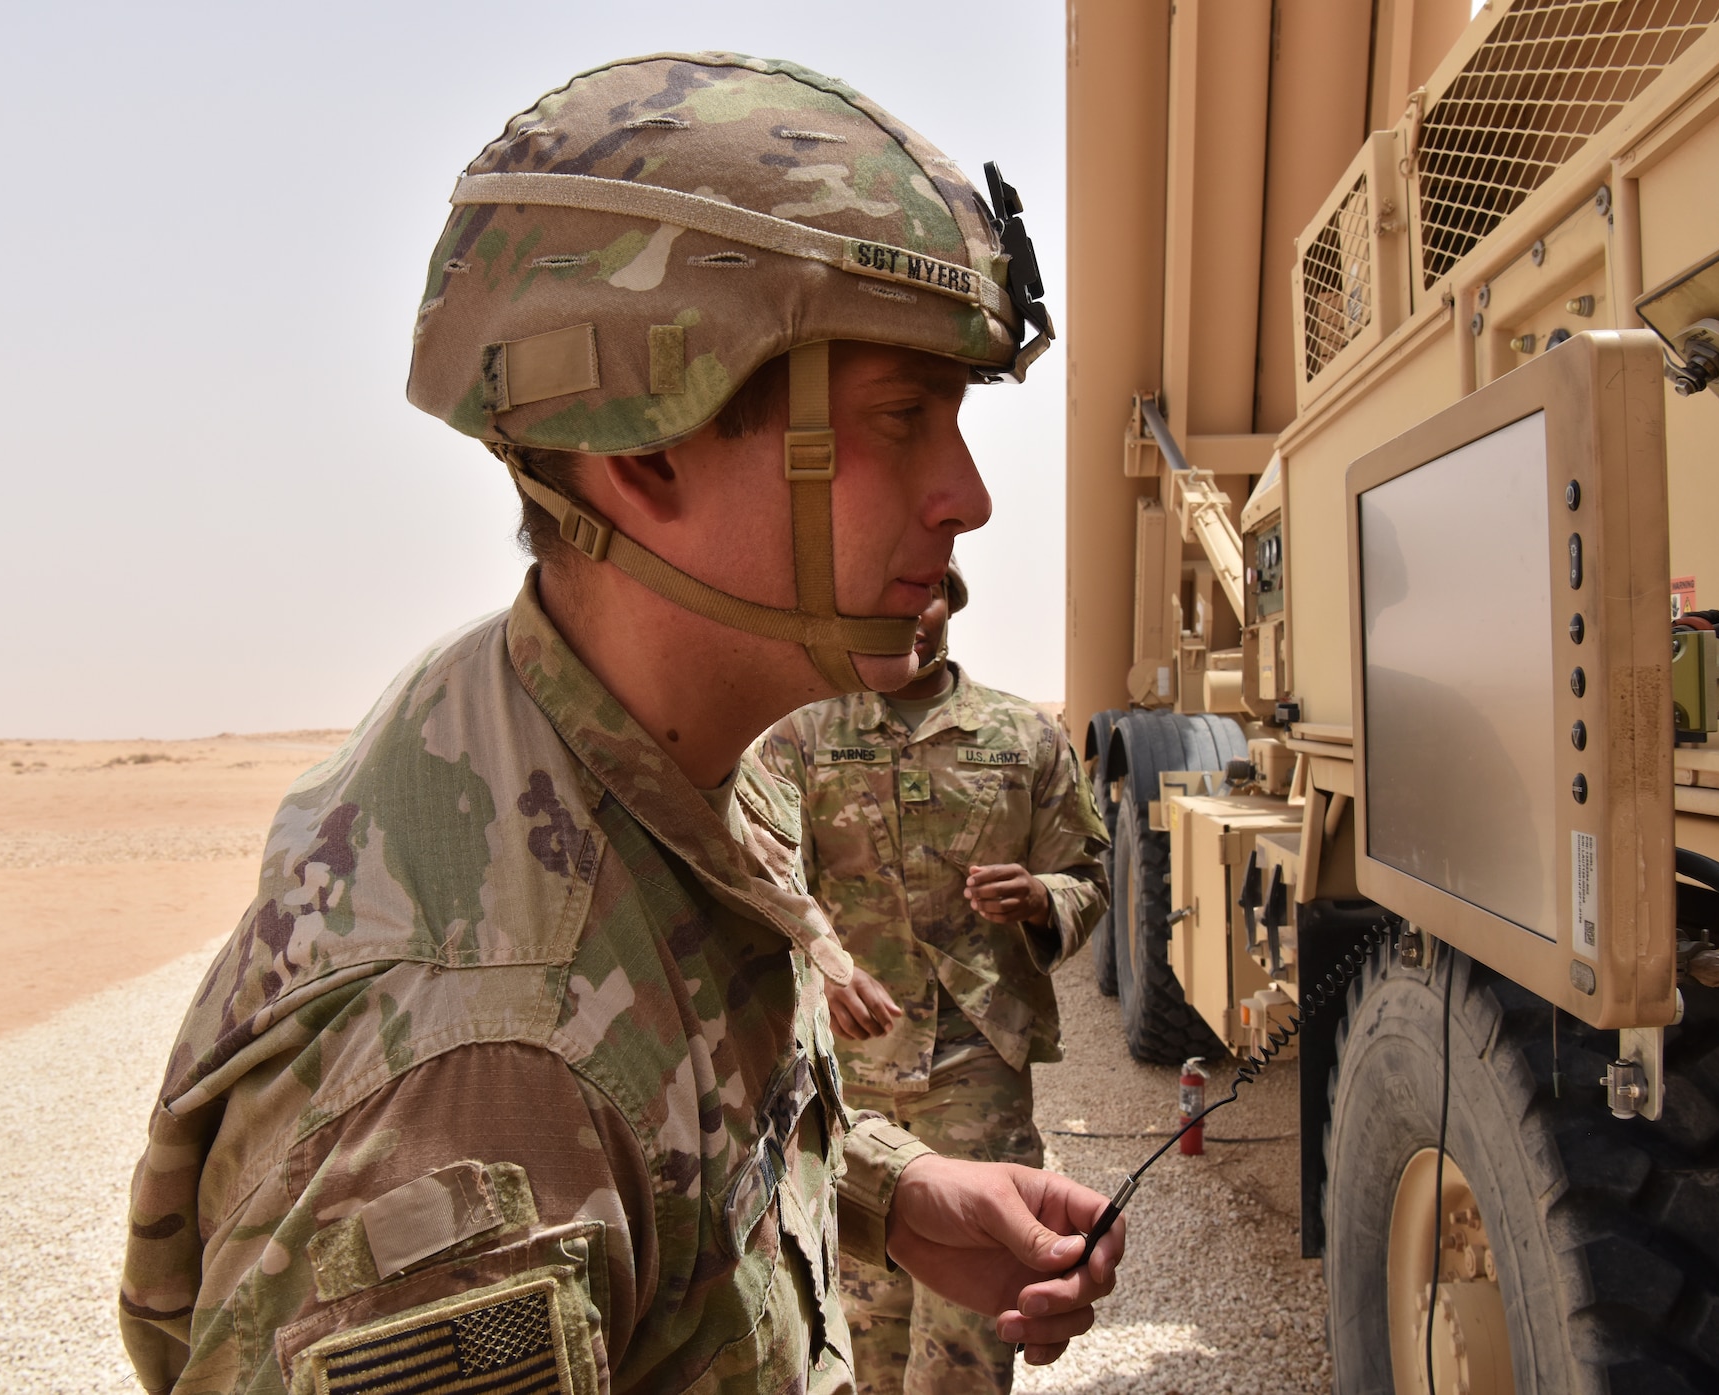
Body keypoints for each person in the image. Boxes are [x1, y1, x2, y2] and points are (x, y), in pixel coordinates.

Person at [118, 53, 1119, 1395]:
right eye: (901, 417)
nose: (968, 497)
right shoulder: (479, 1096)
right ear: (646, 445)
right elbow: (581, 1109)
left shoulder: (646, 748)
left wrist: (895, 1191)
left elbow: (675, 1101)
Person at [760, 560, 1110, 1394]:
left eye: (926, 594)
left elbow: (1088, 874)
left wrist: (1039, 897)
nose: (910, 615)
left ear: (949, 600)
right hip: (851, 1078)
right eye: (885, 599)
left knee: (971, 1330)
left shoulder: (1024, 736)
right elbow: (762, 871)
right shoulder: (803, 732)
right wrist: (823, 963)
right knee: (857, 1319)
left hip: (976, 1063)